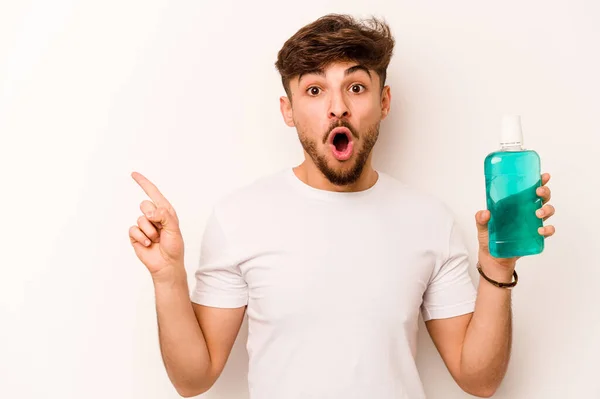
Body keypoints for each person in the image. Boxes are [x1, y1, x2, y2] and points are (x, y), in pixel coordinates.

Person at [128, 14, 556, 399]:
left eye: (356, 87)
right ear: (288, 110)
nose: (338, 107)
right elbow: (193, 379)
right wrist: (167, 278)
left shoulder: (430, 221)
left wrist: (498, 268)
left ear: (384, 102)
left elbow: (478, 379)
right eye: (314, 90)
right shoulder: (239, 217)